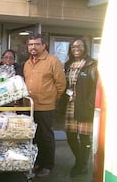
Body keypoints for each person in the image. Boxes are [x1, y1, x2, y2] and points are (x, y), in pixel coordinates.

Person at [23, 33, 66, 177]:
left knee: (46, 137)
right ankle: (38, 162)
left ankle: (48, 165)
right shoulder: (27, 63)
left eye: (36, 44)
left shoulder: (53, 61)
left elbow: (61, 85)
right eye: (30, 44)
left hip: (46, 107)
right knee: (34, 137)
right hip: (30, 108)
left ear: (43, 45)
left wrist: (52, 99)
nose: (33, 47)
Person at [63, 38, 98, 177]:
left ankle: (81, 165)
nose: (76, 48)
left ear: (85, 48)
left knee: (84, 137)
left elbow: (96, 87)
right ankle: (80, 160)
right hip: (70, 105)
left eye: (79, 46)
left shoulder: (92, 64)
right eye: (73, 47)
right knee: (71, 135)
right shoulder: (68, 64)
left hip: (84, 105)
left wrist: (90, 103)